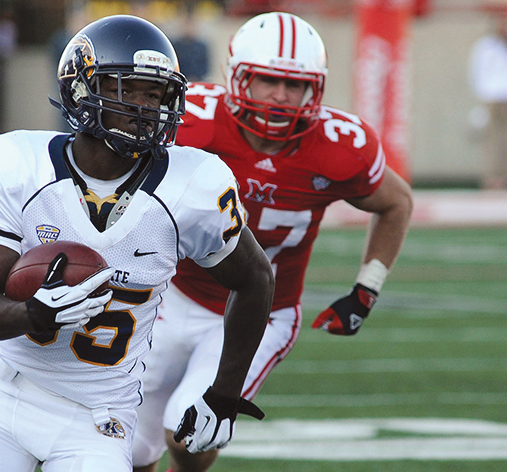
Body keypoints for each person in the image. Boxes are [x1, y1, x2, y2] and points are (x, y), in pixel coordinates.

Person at [0, 15, 274, 472]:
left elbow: (256, 280)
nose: (143, 105)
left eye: (153, 93)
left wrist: (224, 394)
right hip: (7, 396)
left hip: (100, 419)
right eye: (125, 89)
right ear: (81, 88)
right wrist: (33, 313)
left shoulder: (192, 186)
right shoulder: (19, 167)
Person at [132, 12, 413, 472]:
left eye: (294, 85)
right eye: (267, 81)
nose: (281, 96)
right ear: (239, 77)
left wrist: (366, 289)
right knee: (131, 444)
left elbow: (396, 202)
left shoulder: (340, 146)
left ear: (314, 90)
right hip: (173, 294)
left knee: (190, 431)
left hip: (262, 312)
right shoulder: (193, 122)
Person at [468, 7, 507, 189]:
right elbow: (476, 73)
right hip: (493, 97)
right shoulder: (486, 46)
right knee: (493, 141)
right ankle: (494, 179)